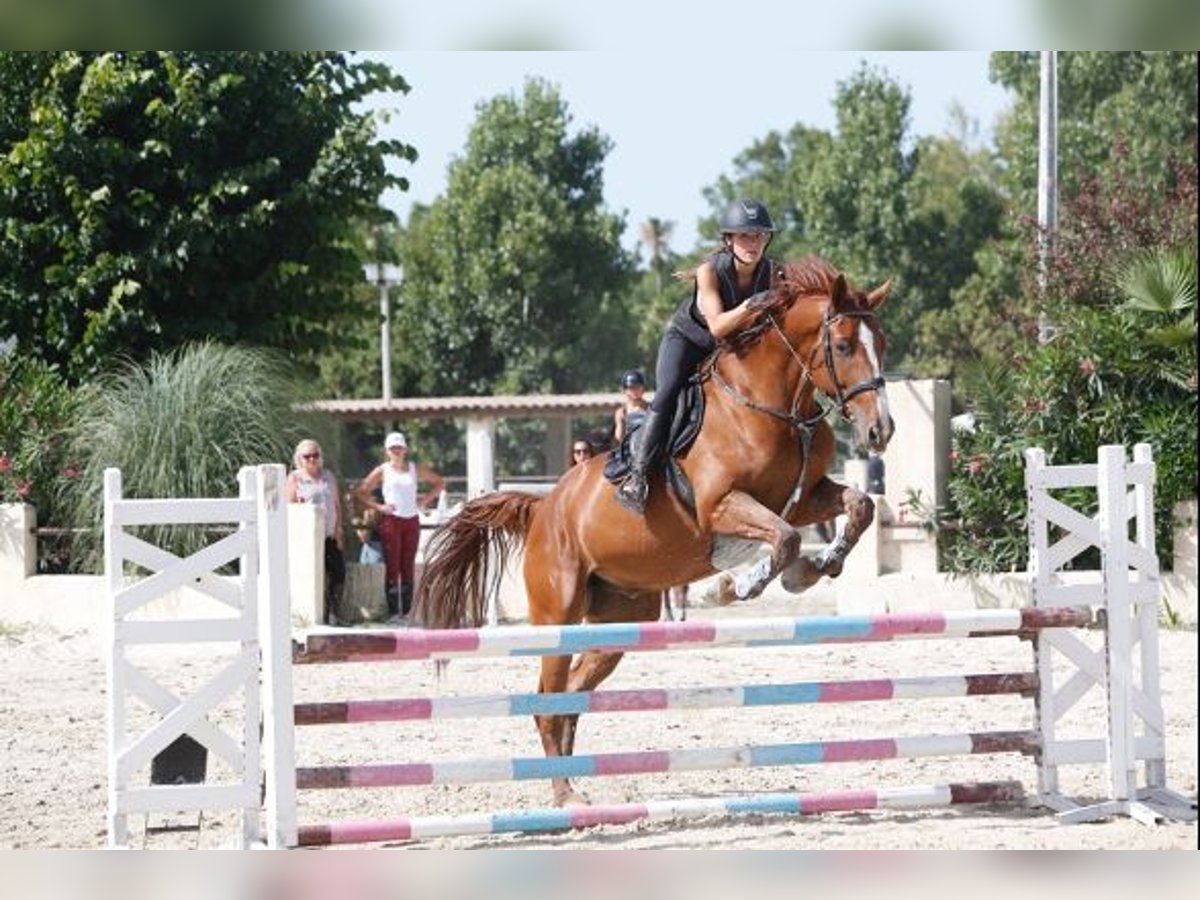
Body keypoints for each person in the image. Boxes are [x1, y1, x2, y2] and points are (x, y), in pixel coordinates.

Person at [615, 198, 780, 514]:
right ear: (728, 239)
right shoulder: (709, 272)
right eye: (745, 236)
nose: (753, 243)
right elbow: (717, 326)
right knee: (667, 392)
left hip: (732, 347)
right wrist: (752, 304)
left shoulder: (774, 272)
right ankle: (637, 477)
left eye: (759, 235)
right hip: (690, 340)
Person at [357, 431, 445, 620]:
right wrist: (380, 506)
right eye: (392, 448)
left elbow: (439, 483)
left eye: (399, 447)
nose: (396, 451)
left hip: (412, 520)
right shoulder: (383, 470)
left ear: (405, 449)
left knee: (408, 565)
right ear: (387, 451)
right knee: (393, 565)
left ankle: (405, 612)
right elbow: (362, 491)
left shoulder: (414, 468)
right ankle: (392, 613)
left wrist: (424, 501)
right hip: (392, 520)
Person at [285, 439, 345, 626]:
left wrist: (339, 529)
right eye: (307, 456)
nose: (312, 459)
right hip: (307, 540)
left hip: (329, 535)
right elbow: (290, 508)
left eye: (315, 455)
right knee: (313, 577)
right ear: (300, 459)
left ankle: (334, 613)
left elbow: (336, 505)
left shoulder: (328, 476)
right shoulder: (295, 478)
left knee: (338, 573)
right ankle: (312, 616)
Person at [613, 368, 650, 444]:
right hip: (629, 447)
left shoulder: (651, 408)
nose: (635, 390)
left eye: (638, 387)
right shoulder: (622, 412)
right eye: (631, 388)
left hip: (648, 446)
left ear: (643, 388)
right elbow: (619, 438)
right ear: (625, 390)